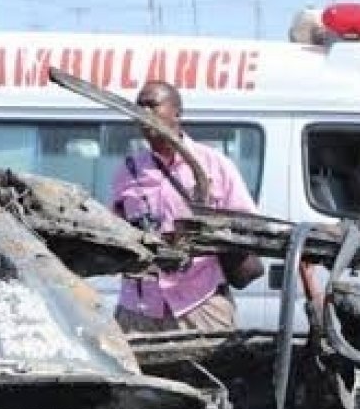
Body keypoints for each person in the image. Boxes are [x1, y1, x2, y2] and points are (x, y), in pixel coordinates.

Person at [109, 80, 260, 333]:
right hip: (139, 307)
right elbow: (114, 226)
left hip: (198, 304)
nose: (144, 112)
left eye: (152, 105)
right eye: (139, 105)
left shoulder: (214, 165)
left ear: (177, 112)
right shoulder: (129, 170)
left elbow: (249, 227)